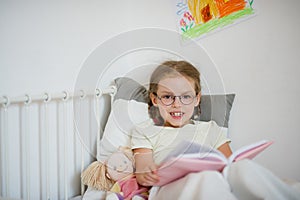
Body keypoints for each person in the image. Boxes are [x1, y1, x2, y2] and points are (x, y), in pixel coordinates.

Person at [130, 60, 300, 200]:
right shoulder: (145, 131)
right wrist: (147, 173)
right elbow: (143, 169)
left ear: (197, 99)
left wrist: (235, 166)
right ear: (155, 100)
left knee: (243, 168)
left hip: (216, 179)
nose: (177, 104)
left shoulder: (210, 128)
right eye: (167, 96)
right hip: (167, 188)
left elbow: (229, 162)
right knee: (206, 178)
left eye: (186, 96)